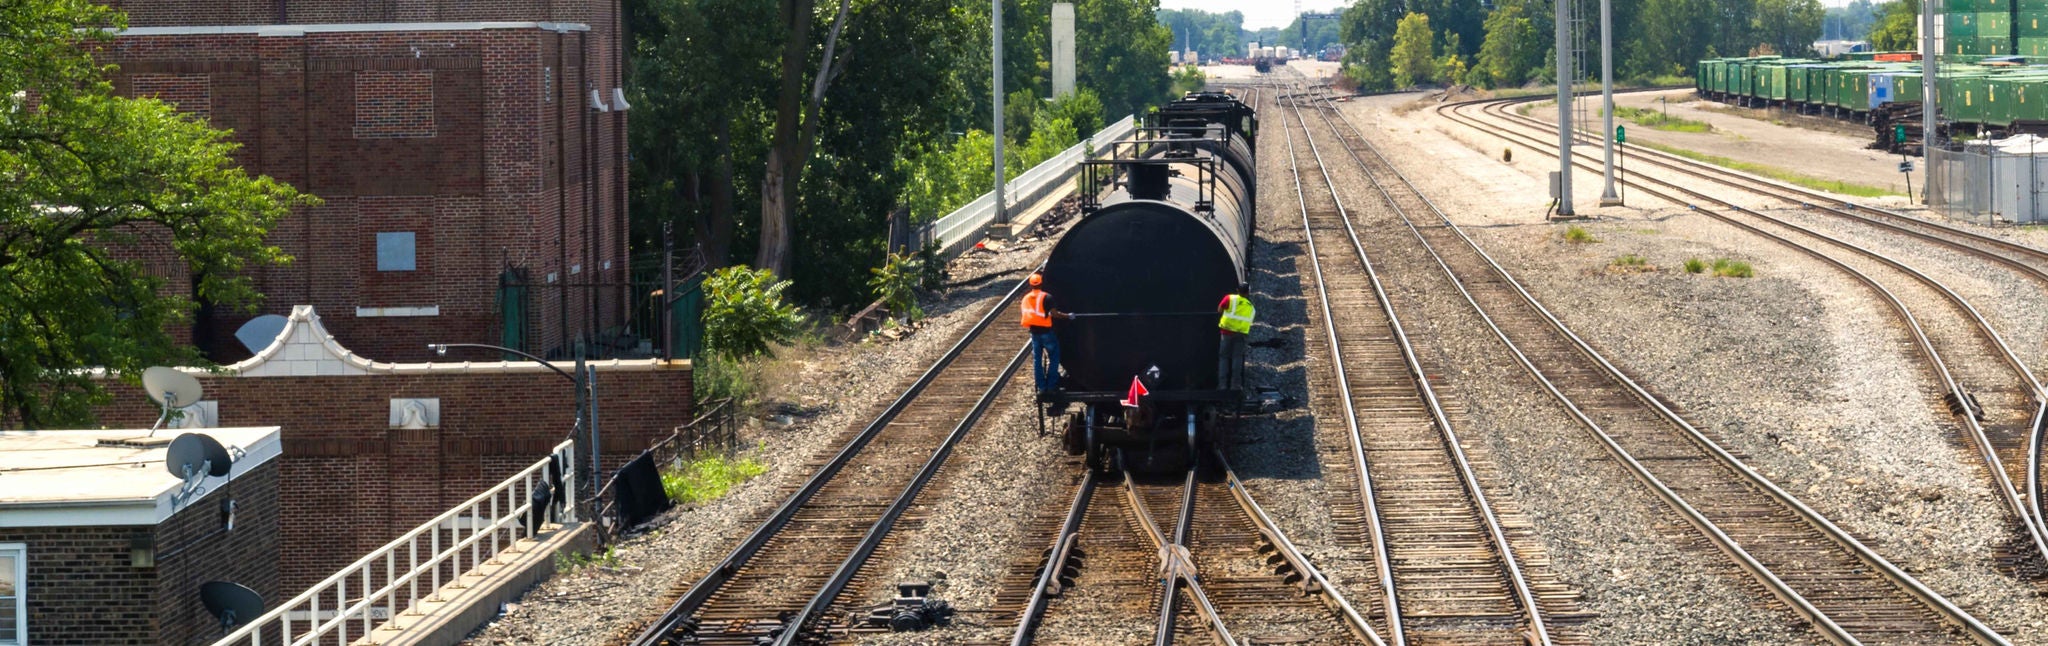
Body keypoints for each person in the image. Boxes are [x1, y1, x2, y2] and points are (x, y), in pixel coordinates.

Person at [1022, 273, 1075, 391]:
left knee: (1037, 361)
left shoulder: (1025, 298)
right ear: (1042, 283)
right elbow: (1055, 314)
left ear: (1030, 285)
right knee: (1054, 358)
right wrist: (1068, 316)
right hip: (1046, 333)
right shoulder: (1046, 297)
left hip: (1034, 334)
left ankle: (1041, 386)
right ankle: (1052, 385)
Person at [1217, 285, 1255, 390]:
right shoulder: (1251, 307)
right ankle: (1235, 385)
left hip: (1226, 332)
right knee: (1237, 358)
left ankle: (1222, 385)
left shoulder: (1229, 298)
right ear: (1248, 293)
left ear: (1237, 290)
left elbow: (1220, 309)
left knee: (1224, 357)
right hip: (1240, 334)